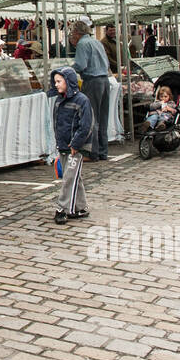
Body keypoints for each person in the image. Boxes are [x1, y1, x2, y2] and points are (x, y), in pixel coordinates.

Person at [48, 66, 93, 226]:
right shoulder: (59, 100)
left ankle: (62, 208)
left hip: (76, 147)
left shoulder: (82, 101)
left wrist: (76, 143)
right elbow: (57, 124)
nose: (56, 85)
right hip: (64, 145)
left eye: (59, 81)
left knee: (69, 178)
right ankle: (80, 207)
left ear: (69, 82)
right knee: (73, 176)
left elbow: (86, 125)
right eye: (55, 82)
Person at [69, 19, 111, 161]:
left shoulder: (82, 44)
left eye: (72, 33)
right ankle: (102, 151)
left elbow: (80, 65)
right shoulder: (96, 42)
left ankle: (92, 153)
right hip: (104, 80)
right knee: (103, 117)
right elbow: (107, 62)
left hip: (92, 81)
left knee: (92, 118)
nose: (72, 36)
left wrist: (67, 69)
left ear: (77, 33)